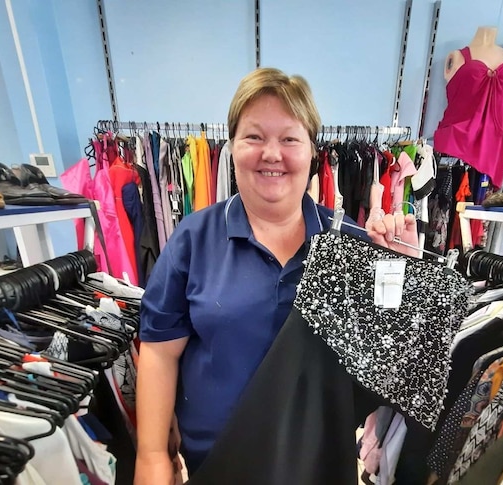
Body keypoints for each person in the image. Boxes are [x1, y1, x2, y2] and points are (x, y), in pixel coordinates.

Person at [134, 67, 419, 485]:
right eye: (254, 136)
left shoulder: (350, 245)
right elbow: (160, 352)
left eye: (289, 138)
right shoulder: (194, 239)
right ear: (232, 146)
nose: (272, 154)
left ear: (311, 151)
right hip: (219, 466)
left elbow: (391, 371)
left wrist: (401, 278)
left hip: (319, 467)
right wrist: (153, 456)